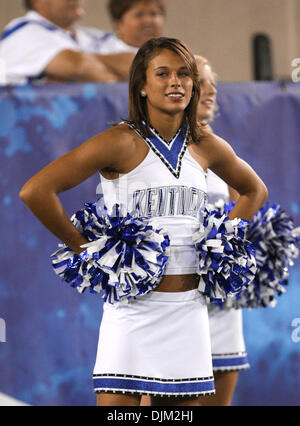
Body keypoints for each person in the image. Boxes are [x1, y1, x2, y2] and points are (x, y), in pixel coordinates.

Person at [19, 37, 268, 406]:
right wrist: (85, 248)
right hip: (133, 312)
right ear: (141, 85)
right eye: (163, 73)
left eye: (184, 74)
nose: (175, 82)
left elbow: (254, 191)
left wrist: (222, 241)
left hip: (189, 310)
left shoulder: (206, 145)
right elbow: (35, 190)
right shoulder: (119, 141)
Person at [193, 55, 249, 406]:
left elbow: (245, 199)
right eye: (201, 81)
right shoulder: (149, 148)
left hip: (219, 298)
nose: (211, 89)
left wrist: (231, 249)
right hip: (176, 300)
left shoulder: (217, 146)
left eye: (214, 81)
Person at [0, 0, 164, 84]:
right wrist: (115, 74)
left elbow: (142, 64)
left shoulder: (93, 37)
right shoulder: (21, 32)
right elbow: (76, 65)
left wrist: (84, 67)